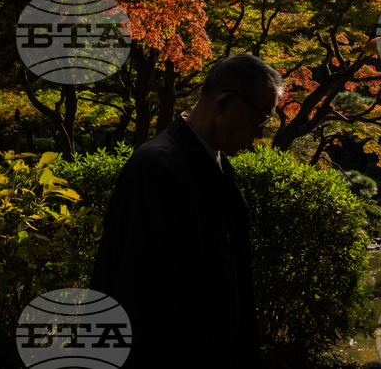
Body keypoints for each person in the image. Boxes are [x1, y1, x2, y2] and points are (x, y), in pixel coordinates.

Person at [90, 53, 284, 368]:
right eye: (260, 118)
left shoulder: (218, 170)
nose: (260, 134)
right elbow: (140, 301)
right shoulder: (156, 168)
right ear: (224, 103)